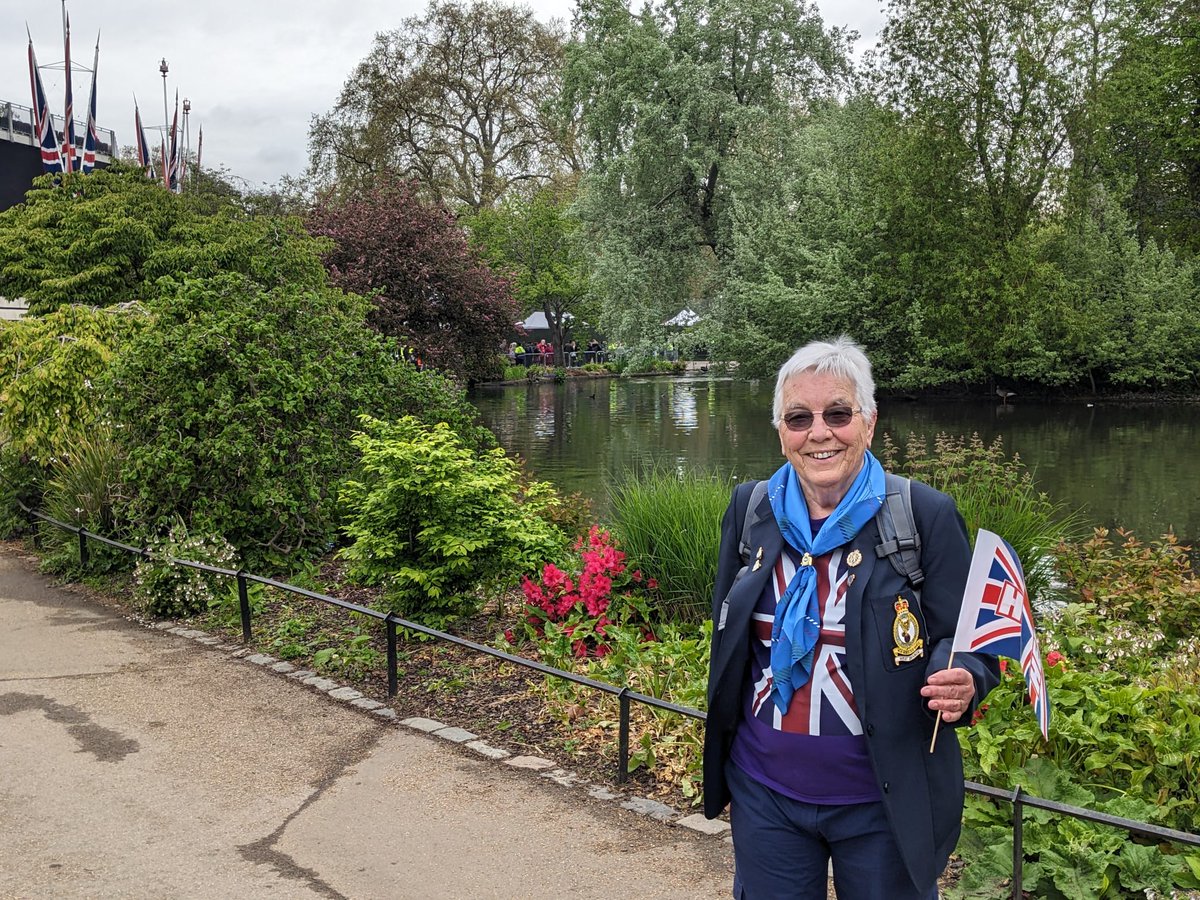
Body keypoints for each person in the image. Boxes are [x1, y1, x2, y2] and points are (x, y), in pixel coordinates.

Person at [703, 336, 999, 900]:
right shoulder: (750, 509)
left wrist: (965, 678)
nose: (819, 432)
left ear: (868, 421)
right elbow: (728, 630)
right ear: (780, 430)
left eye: (838, 413)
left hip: (881, 802)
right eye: (799, 417)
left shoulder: (922, 515)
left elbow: (969, 639)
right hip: (765, 793)